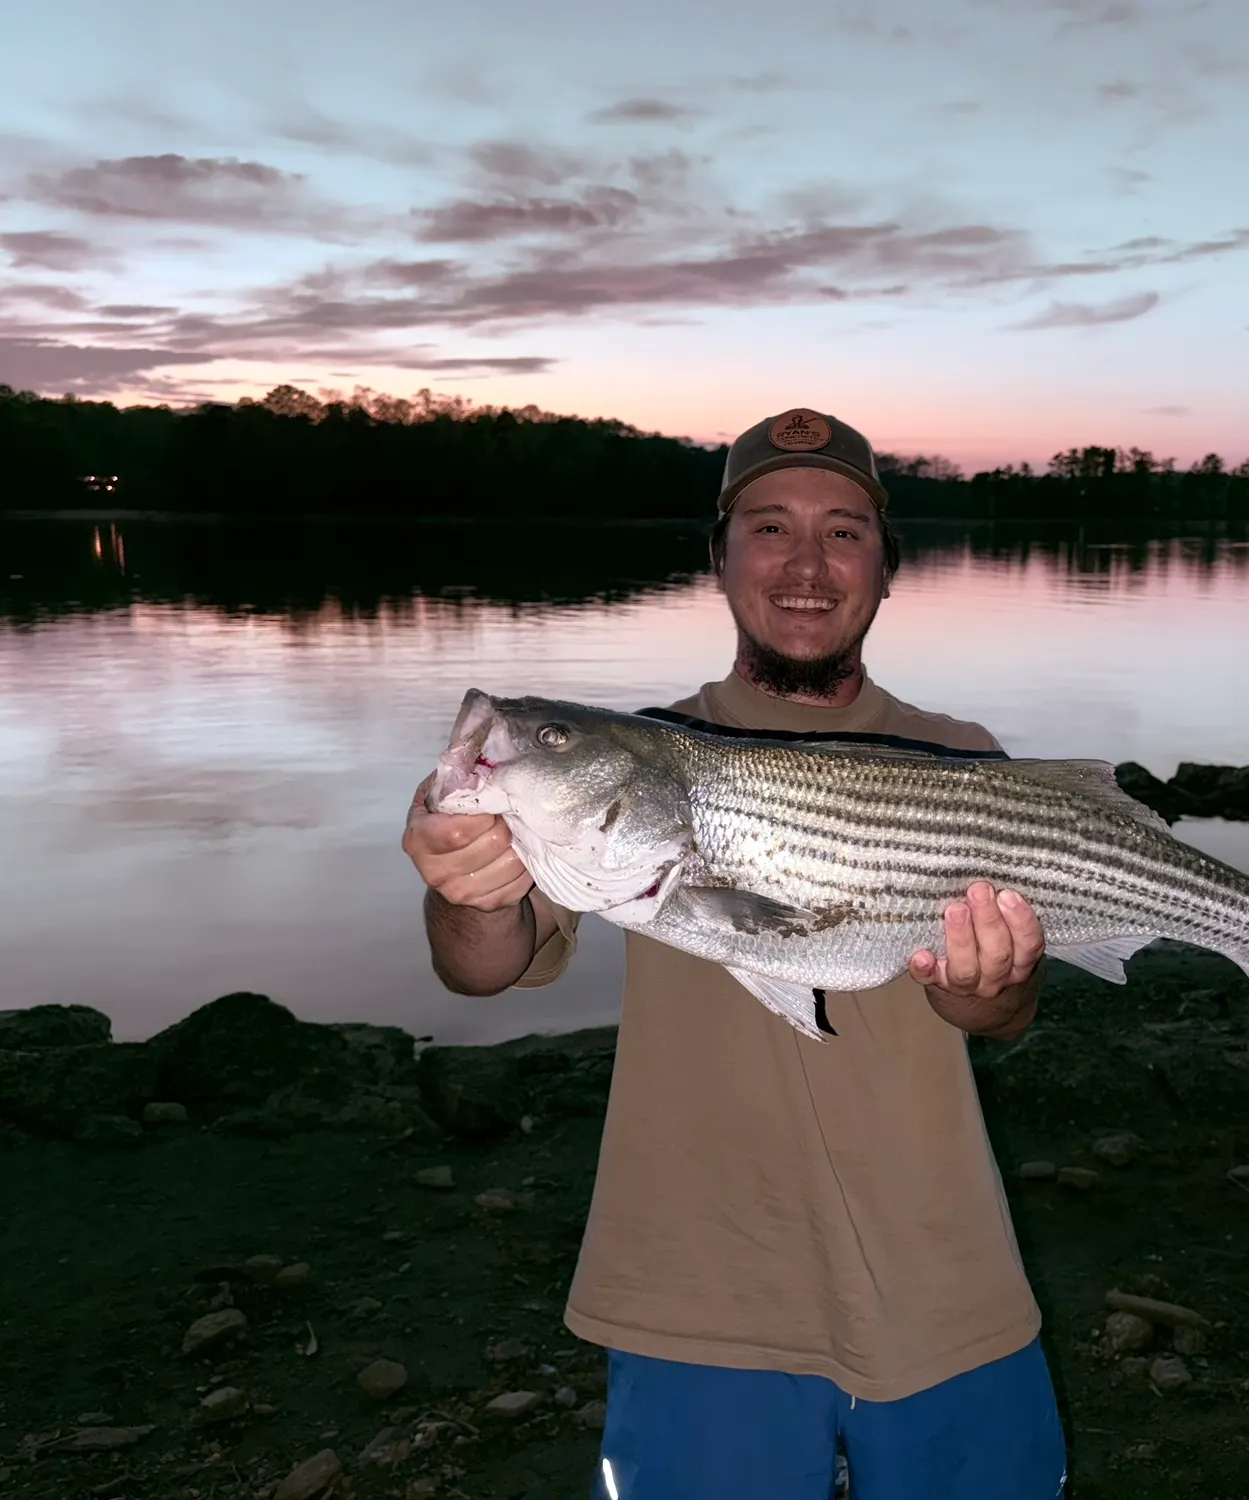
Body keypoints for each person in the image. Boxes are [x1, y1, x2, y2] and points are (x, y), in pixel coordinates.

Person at [402, 408, 1068, 1500]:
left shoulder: (961, 761)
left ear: (886, 567)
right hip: (693, 1287)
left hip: (944, 1281)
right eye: (769, 527)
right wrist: (465, 885)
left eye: (845, 532)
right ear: (718, 559)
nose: (807, 564)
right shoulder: (646, 751)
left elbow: (1007, 1014)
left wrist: (993, 994)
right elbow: (482, 963)